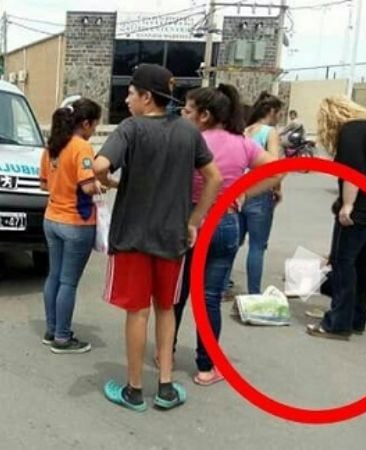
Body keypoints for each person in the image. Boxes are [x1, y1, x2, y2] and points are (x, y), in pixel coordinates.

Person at [93, 64, 223, 412]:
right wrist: (194, 219)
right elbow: (214, 177)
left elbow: (99, 165)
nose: (126, 98)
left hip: (133, 237)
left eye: (131, 93)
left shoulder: (130, 128)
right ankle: (165, 386)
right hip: (173, 237)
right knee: (166, 309)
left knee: (137, 313)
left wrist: (105, 182)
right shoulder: (188, 131)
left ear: (146, 97)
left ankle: (134, 390)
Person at [173, 84, 284, 386]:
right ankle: (207, 367)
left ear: (205, 115)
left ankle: (165, 355)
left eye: (188, 110)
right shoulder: (243, 143)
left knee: (178, 294)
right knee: (209, 298)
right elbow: (276, 171)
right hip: (225, 223)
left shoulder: (190, 141)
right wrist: (244, 193)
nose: (184, 114)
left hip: (189, 222)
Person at [39, 98, 113, 354]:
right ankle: (62, 337)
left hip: (52, 218)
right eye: (94, 125)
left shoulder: (53, 147)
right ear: (85, 123)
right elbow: (86, 185)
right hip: (75, 223)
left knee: (54, 276)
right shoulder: (81, 147)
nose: (94, 130)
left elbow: (44, 184)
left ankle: (51, 329)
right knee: (69, 282)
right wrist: (100, 186)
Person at [307, 96, 366, 340]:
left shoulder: (350, 130)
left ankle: (337, 323)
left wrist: (348, 204)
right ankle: (356, 319)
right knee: (365, 263)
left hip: (359, 208)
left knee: (343, 262)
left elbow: (352, 171)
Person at [238, 92, 284, 294]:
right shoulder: (269, 132)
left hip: (239, 191)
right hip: (260, 191)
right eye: (278, 113)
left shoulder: (245, 131)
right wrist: (277, 188)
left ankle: (220, 286)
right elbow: (273, 165)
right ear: (271, 111)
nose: (279, 118)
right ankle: (254, 293)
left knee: (234, 243)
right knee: (257, 246)